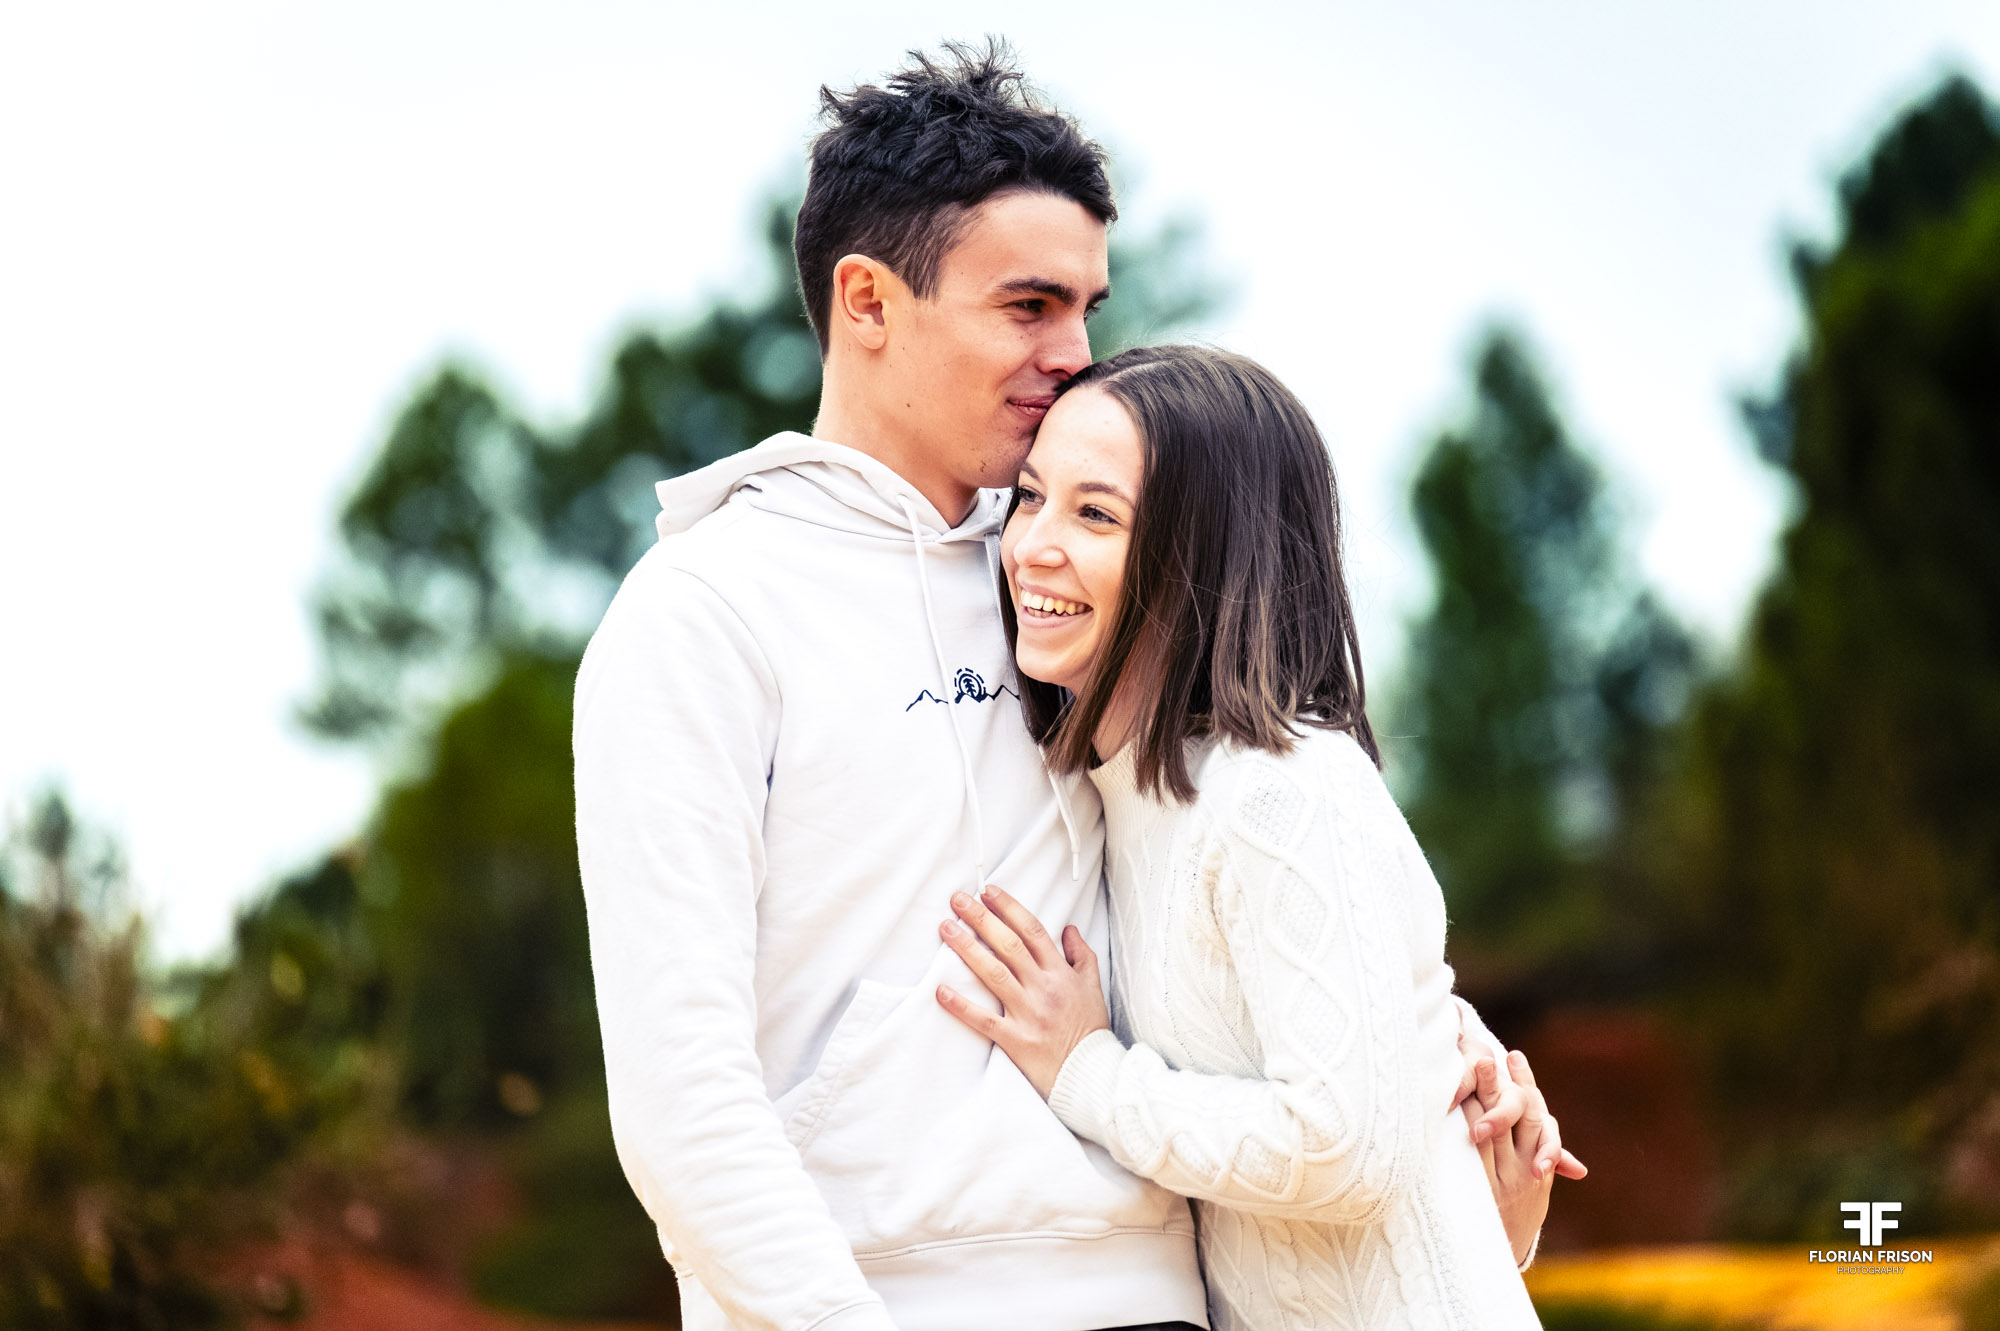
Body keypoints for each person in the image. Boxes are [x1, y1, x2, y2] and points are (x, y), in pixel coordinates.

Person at [573, 43, 1560, 1331]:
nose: (1075, 354)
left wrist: (1424, 1047)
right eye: (1028, 306)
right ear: (866, 302)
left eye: (1088, 306)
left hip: (1169, 1299)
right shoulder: (702, 613)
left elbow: (1234, 859)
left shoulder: (1068, 576)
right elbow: (679, 1100)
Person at [932, 345, 1582, 1331]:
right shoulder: (1123, 801)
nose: (1031, 546)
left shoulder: (1280, 796)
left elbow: (1340, 1146)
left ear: (1202, 557)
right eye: (1029, 497)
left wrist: (1087, 1072)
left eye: (1095, 513)